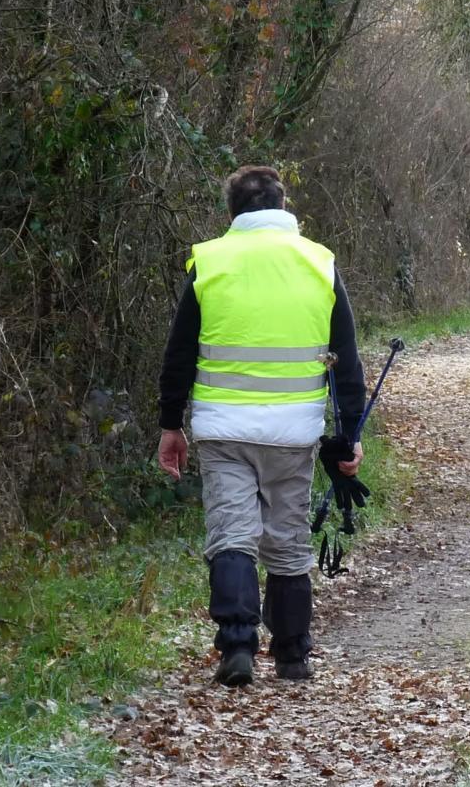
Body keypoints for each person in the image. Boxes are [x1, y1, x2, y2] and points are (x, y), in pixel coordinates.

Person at [156, 165, 366, 686]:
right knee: (288, 540)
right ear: (282, 204)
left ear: (232, 212)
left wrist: (170, 423)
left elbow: (179, 354)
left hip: (224, 430)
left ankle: (237, 646)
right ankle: (293, 655)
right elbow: (347, 357)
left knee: (232, 534)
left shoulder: (211, 261)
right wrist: (350, 433)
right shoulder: (319, 263)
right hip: (294, 433)